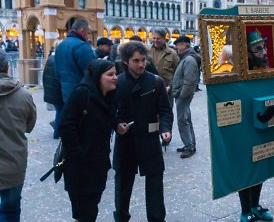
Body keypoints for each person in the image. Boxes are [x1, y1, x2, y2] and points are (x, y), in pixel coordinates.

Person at [113, 42, 173, 222]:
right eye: (136, 61)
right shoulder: (117, 82)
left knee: (155, 185)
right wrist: (116, 124)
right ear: (126, 61)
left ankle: (156, 219)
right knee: (123, 185)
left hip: (150, 140)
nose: (141, 64)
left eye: (143, 60)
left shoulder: (155, 81)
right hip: (126, 141)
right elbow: (108, 112)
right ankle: (121, 217)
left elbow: (165, 110)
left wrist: (165, 129)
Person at [59, 60, 117, 221]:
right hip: (80, 166)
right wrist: (78, 153)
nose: (115, 78)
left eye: (115, 74)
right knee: (85, 210)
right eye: (110, 74)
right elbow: (65, 126)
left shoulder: (108, 96)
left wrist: (118, 124)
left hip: (98, 163)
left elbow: (109, 119)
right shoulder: (82, 93)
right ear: (98, 76)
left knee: (90, 208)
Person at [238, 31, 274, 222]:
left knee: (260, 164)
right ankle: (245, 210)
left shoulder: (267, 69)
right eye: (258, 49)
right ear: (249, 53)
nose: (264, 52)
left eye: (264, 47)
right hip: (244, 125)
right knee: (246, 166)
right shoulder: (240, 71)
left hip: (262, 122)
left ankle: (255, 204)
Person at [0, 49, 37, 222]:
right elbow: (29, 126)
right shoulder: (23, 96)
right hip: (14, 163)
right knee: (11, 209)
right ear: (7, 67)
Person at [172, 36, 201, 159]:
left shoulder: (188, 59)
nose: (176, 47)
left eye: (178, 45)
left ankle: (189, 146)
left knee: (182, 121)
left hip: (183, 95)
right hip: (181, 94)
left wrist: (182, 95)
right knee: (186, 119)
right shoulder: (186, 58)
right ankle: (190, 144)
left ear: (184, 45)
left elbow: (189, 81)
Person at [55, 18, 95, 103]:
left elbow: (57, 71)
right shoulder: (82, 46)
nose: (89, 37)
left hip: (65, 91)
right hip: (82, 92)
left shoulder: (60, 45)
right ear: (82, 31)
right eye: (88, 33)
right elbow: (91, 71)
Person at [149, 28, 179, 106]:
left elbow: (177, 73)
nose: (155, 40)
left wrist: (170, 86)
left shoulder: (172, 53)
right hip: (150, 89)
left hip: (167, 90)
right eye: (154, 38)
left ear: (164, 38)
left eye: (158, 38)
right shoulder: (147, 51)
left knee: (166, 112)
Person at [42, 40, 63, 139]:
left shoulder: (51, 58)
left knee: (59, 111)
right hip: (57, 92)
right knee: (60, 111)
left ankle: (57, 129)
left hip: (53, 91)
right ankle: (57, 132)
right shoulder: (57, 59)